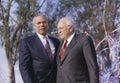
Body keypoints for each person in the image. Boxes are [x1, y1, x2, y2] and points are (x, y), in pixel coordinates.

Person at [56, 17, 99, 83]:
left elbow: (92, 67)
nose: (59, 31)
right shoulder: (60, 45)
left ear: (70, 28)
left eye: (61, 28)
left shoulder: (84, 40)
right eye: (58, 29)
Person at [19, 14, 60, 83]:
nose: (42, 25)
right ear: (34, 26)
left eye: (44, 22)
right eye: (39, 23)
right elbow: (24, 66)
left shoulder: (56, 41)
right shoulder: (27, 42)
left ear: (47, 24)